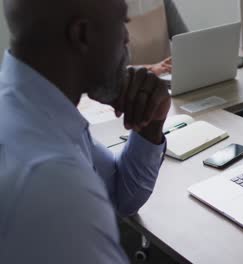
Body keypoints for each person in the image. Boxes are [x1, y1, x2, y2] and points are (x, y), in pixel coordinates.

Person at [0, 0, 170, 263]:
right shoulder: (53, 184)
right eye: (123, 23)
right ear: (82, 35)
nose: (127, 38)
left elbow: (119, 195)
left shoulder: (34, 107)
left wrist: (151, 124)